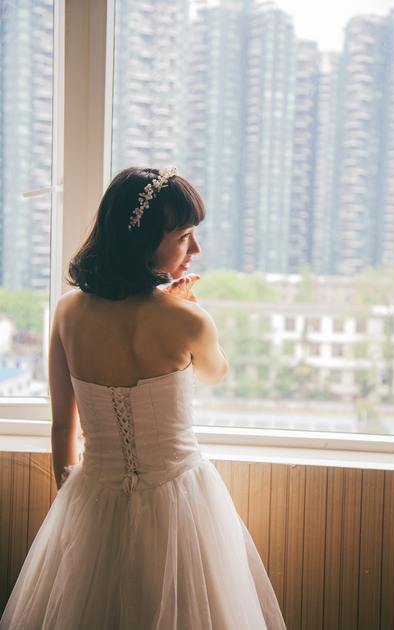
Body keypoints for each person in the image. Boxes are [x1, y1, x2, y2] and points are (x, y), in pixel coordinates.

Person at [0, 167, 286, 630]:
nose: (195, 249)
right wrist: (189, 308)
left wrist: (69, 503)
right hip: (181, 499)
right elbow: (214, 373)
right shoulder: (188, 321)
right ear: (143, 241)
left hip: (92, 494)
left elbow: (62, 426)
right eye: (184, 236)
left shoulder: (68, 313)